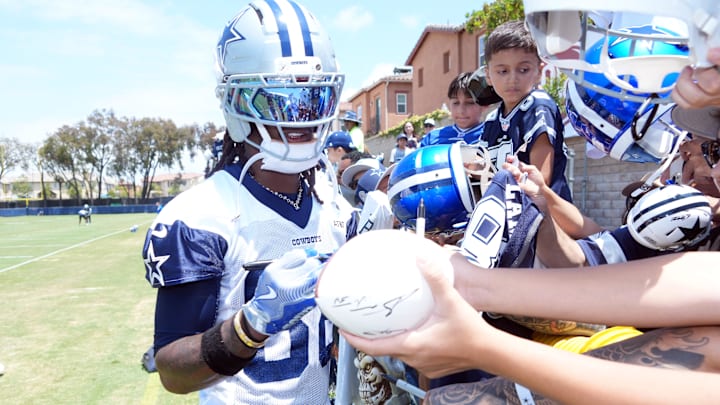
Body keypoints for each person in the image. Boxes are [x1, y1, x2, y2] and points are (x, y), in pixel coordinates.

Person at [141, 1, 351, 403]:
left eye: (314, 99)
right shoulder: (201, 217)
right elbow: (172, 371)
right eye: (282, 100)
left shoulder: (333, 202)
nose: (301, 118)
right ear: (238, 102)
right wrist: (252, 323)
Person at [478, 19, 573, 203]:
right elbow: (482, 173)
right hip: (508, 215)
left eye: (523, 69)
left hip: (544, 218)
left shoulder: (538, 106)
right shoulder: (491, 119)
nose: (512, 79)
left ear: (539, 70)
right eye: (503, 71)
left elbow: (539, 181)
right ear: (488, 75)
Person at [419, 71, 500, 147]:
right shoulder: (432, 138)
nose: (461, 111)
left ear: (484, 105)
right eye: (456, 103)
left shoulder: (493, 135)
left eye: (469, 103)